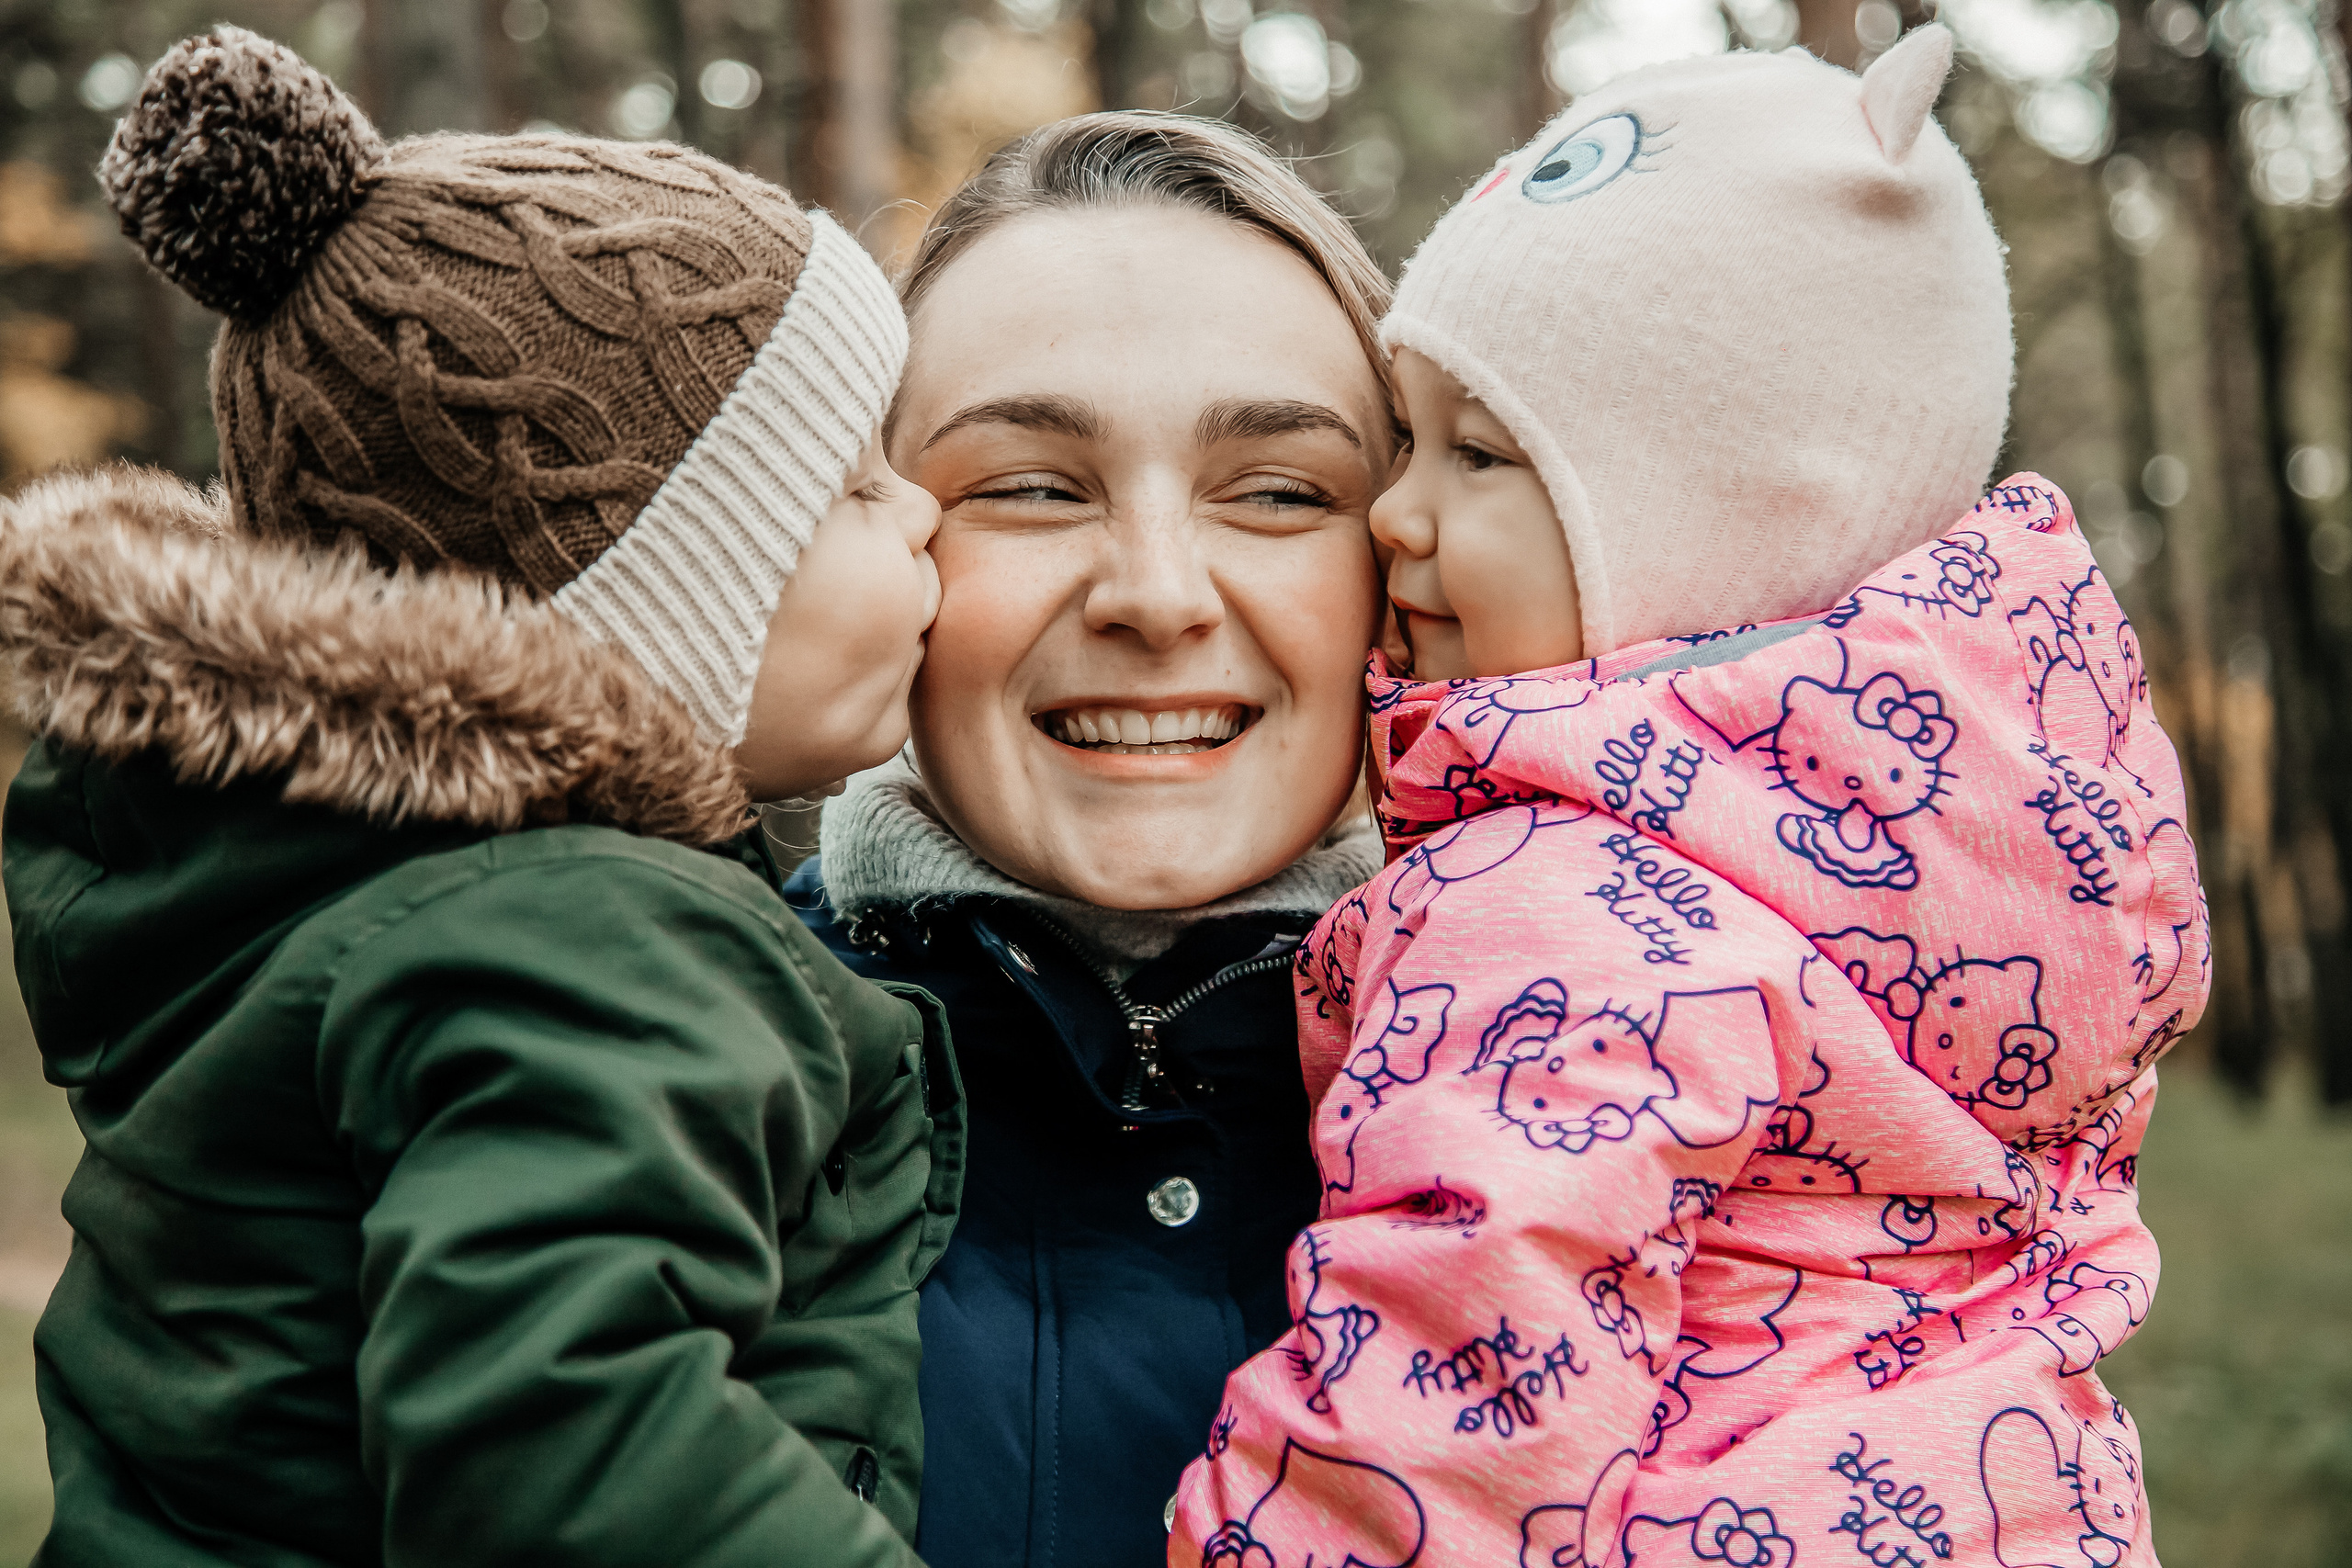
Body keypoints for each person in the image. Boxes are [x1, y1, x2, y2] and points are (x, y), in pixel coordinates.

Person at [1171, 28, 2209, 1568]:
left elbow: (1453, 1399)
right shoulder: (1978, 854)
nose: (1397, 513)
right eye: (1406, 442)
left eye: (1480, 456)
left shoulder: (1560, 904)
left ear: (1701, 532)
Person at [7, 28, 958, 1567]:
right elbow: (568, 1438)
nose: (922, 510)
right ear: (663, 620)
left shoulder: (343, 892)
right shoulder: (589, 936)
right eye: (851, 486)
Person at [783, 113, 1393, 1568]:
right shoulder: (638, 1077)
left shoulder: (1682, 1110)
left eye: (1281, 492)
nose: (1158, 592)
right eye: (1034, 486)